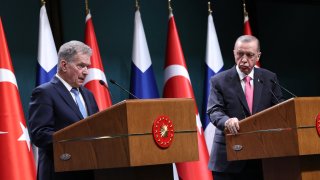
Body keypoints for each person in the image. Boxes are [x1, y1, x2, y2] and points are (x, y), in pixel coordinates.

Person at [207, 35, 284, 180]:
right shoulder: (219, 80)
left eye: (249, 55)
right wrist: (227, 121)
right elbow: (214, 110)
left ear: (258, 56)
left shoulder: (269, 78)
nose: (243, 60)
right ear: (234, 52)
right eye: (240, 54)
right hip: (229, 159)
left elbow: (280, 109)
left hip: (262, 158)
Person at [28, 40, 99, 180]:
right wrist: (77, 141)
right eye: (81, 66)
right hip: (59, 172)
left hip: (89, 171)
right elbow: (40, 135)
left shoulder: (88, 95)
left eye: (87, 67)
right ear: (64, 65)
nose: (86, 72)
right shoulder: (44, 93)